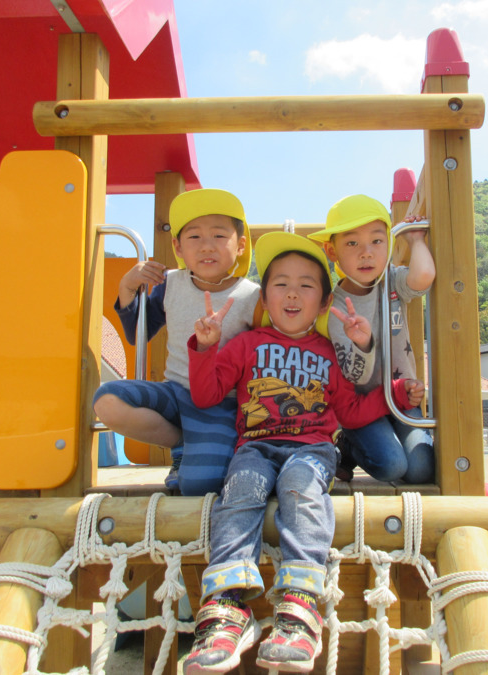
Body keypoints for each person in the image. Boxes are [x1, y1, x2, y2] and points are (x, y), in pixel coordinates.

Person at [182, 232, 423, 674]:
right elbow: (206, 394)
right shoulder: (246, 344)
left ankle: (299, 605)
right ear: (265, 297)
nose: (292, 293)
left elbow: (350, 411)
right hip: (255, 447)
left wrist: (397, 393)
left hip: (311, 449)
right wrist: (205, 347)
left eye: (306, 285)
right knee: (239, 491)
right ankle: (226, 607)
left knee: (299, 489)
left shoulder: (328, 352)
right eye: (281, 284)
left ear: (325, 301)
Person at [93, 188, 260, 495]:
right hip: (174, 394)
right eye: (194, 237)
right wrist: (127, 286)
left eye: (219, 235)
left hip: (221, 403)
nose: (207, 246)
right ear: (178, 247)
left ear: (240, 246)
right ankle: (182, 442)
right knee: (107, 401)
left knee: (200, 485)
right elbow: (138, 333)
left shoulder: (252, 297)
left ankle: (203, 449)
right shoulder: (170, 283)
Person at [308, 194, 436, 484]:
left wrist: (416, 240)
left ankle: (361, 444)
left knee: (420, 470)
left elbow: (424, 276)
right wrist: (363, 343)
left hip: (403, 396)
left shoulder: (391, 281)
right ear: (332, 251)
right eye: (352, 243)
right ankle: (348, 445)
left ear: (388, 244)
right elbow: (356, 375)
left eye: (377, 241)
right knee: (392, 466)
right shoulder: (334, 308)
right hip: (362, 405)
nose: (366, 253)